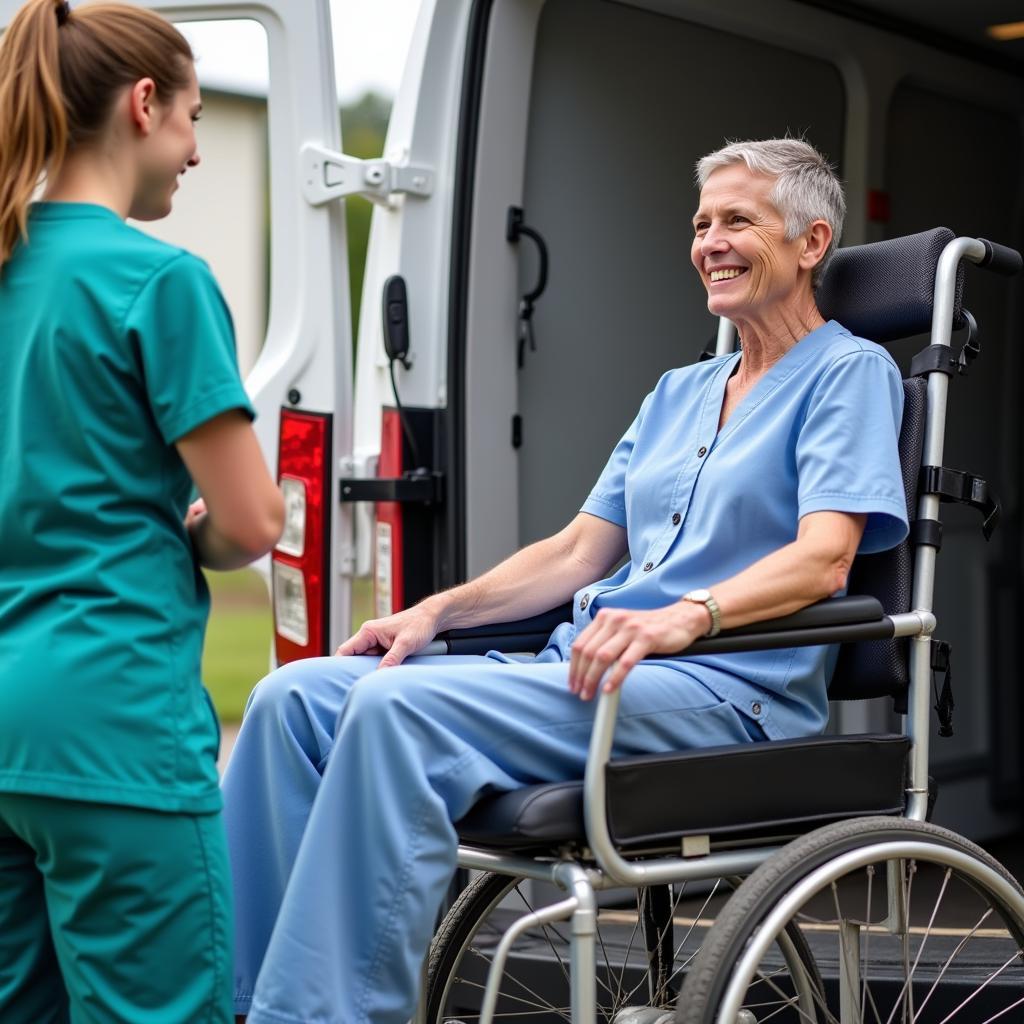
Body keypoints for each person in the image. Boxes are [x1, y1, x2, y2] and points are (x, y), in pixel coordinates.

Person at [224, 137, 908, 1024]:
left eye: (738, 220)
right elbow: (577, 554)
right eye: (701, 224)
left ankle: (320, 1015)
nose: (710, 241)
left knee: (395, 712)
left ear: (812, 242)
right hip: (589, 668)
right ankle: (237, 1004)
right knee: (292, 699)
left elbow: (826, 559)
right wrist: (432, 612)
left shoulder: (851, 374)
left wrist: (687, 618)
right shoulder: (678, 392)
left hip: (726, 691)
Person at [0, 2, 284, 1021]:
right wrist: (193, 523)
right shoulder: (157, 281)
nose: (197, 152)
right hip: (113, 725)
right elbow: (253, 524)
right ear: (144, 102)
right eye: (194, 120)